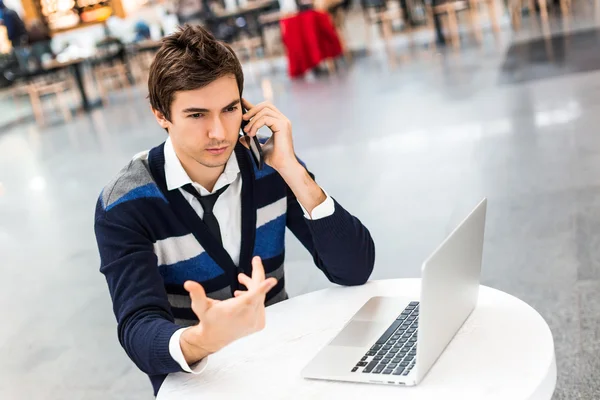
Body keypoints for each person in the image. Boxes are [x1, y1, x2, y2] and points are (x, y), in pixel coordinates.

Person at [94, 24, 375, 396]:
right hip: (199, 382)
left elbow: (354, 269)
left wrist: (291, 169)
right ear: (161, 114)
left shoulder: (267, 165)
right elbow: (138, 328)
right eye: (197, 115)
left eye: (229, 109)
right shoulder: (125, 202)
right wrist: (204, 339)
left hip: (283, 364)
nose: (218, 132)